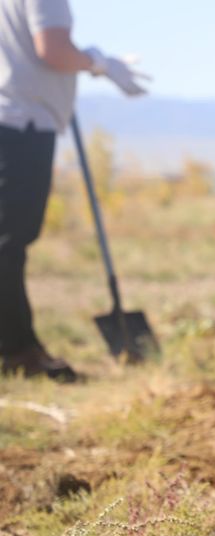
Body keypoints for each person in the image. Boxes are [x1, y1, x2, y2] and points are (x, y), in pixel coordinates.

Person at [0, 0, 148, 381]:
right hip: (21, 125)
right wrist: (97, 63)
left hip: (13, 117)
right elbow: (53, 50)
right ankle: (17, 352)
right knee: (8, 242)